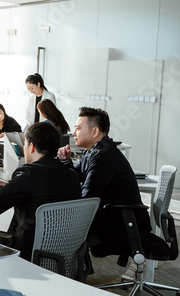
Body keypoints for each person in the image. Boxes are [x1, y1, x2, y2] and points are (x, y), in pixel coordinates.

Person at [0, 122, 81, 261]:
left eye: (25, 144)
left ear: (31, 147)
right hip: (65, 253)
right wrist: (13, 186)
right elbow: (45, 187)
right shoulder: (72, 175)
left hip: (28, 253)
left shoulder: (28, 175)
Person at [57, 107, 151, 255]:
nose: (73, 133)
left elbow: (88, 196)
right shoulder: (94, 150)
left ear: (95, 131)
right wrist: (66, 161)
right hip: (114, 217)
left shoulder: (103, 156)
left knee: (59, 223)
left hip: (123, 224)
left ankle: (68, 270)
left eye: (78, 128)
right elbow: (79, 176)